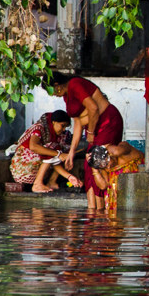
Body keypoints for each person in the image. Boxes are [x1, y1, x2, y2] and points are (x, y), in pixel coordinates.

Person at [49, 73, 124, 209]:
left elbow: (93, 108)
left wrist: (90, 131)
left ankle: (102, 210)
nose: (52, 95)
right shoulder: (67, 95)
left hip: (107, 121)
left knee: (97, 162)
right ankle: (92, 211)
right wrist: (71, 152)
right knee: (88, 165)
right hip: (94, 127)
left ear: (56, 85)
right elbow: (78, 123)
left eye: (51, 91)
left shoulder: (75, 84)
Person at [10, 110, 83, 193]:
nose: (63, 129)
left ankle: (51, 182)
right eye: (62, 126)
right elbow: (33, 147)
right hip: (22, 169)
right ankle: (37, 185)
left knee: (64, 150)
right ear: (54, 122)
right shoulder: (39, 127)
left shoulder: (58, 136)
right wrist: (58, 154)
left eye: (65, 127)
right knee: (51, 149)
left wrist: (70, 177)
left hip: (36, 169)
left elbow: (55, 161)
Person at [87, 142, 144, 212]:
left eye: (107, 163)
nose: (108, 167)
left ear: (109, 155)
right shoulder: (104, 165)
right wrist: (94, 167)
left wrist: (106, 148)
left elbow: (116, 151)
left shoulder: (122, 149)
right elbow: (103, 186)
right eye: (104, 166)